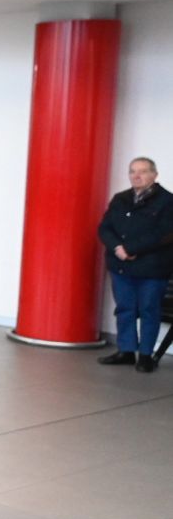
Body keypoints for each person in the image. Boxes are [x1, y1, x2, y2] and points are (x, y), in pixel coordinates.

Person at [97, 156, 173, 372]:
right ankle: (127, 351)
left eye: (143, 171)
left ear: (154, 175)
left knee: (150, 310)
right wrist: (117, 248)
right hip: (121, 266)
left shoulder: (168, 201)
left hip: (152, 268)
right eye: (132, 171)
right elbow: (105, 228)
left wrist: (132, 249)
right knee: (125, 309)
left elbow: (165, 234)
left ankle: (146, 356)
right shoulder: (120, 199)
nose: (136, 176)